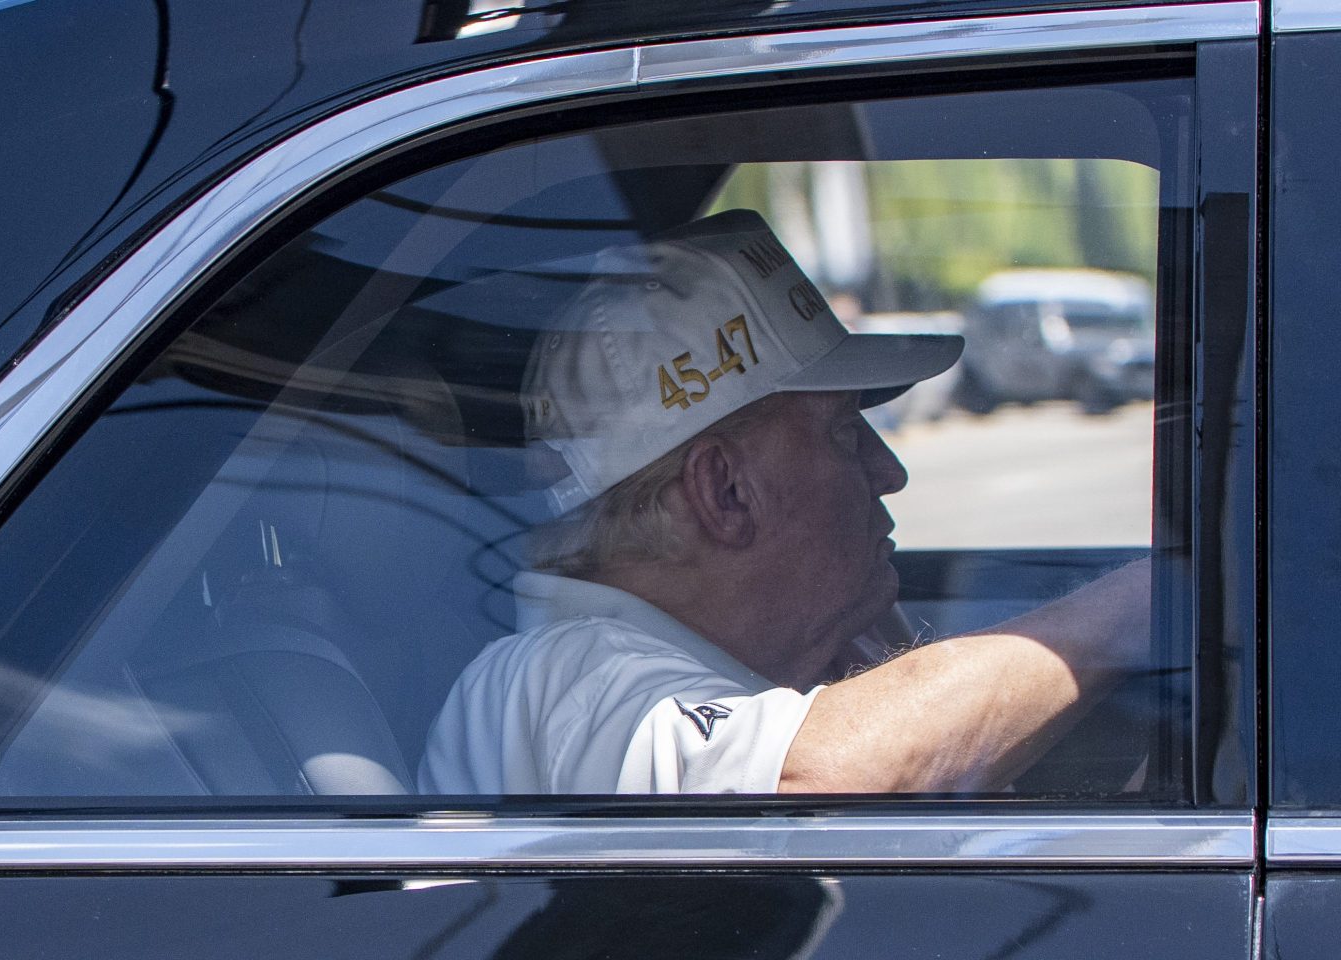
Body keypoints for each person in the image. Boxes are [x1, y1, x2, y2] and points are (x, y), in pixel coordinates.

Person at [418, 209, 1150, 795]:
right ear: (726, 491)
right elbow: (819, 783)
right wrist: (1154, 598)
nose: (889, 470)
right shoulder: (563, 681)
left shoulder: (795, 643)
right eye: (843, 433)